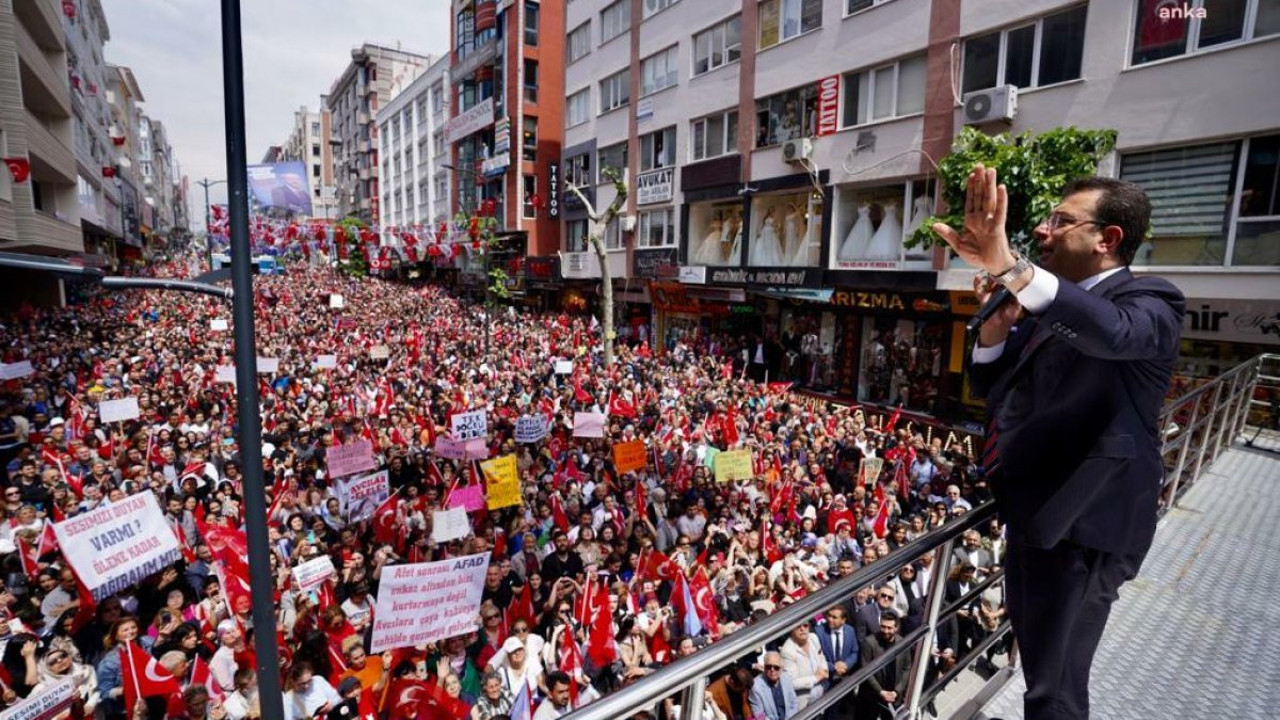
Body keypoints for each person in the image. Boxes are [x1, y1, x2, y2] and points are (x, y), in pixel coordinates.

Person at [933, 165, 1184, 719]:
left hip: (1085, 527)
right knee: (1041, 674)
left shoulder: (1152, 301)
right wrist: (996, 329)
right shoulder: (1050, 304)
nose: (1042, 230)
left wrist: (1012, 266)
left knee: (1056, 690)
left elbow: (1113, 332)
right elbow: (995, 389)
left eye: (1062, 221)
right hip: (1038, 518)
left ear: (1107, 238)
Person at [857, 611, 909, 720]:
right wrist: (881, 691)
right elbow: (866, 670)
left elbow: (906, 668)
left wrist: (897, 691)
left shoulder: (902, 642)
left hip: (893, 696)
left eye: (889, 628)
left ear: (896, 628)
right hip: (872, 696)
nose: (885, 631)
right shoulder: (869, 642)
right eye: (883, 626)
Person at [748, 652, 796, 720]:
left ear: (781, 668)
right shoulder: (756, 687)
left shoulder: (786, 678)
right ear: (764, 667)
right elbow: (759, 715)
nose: (772, 670)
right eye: (768, 667)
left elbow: (794, 703)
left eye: (776, 667)